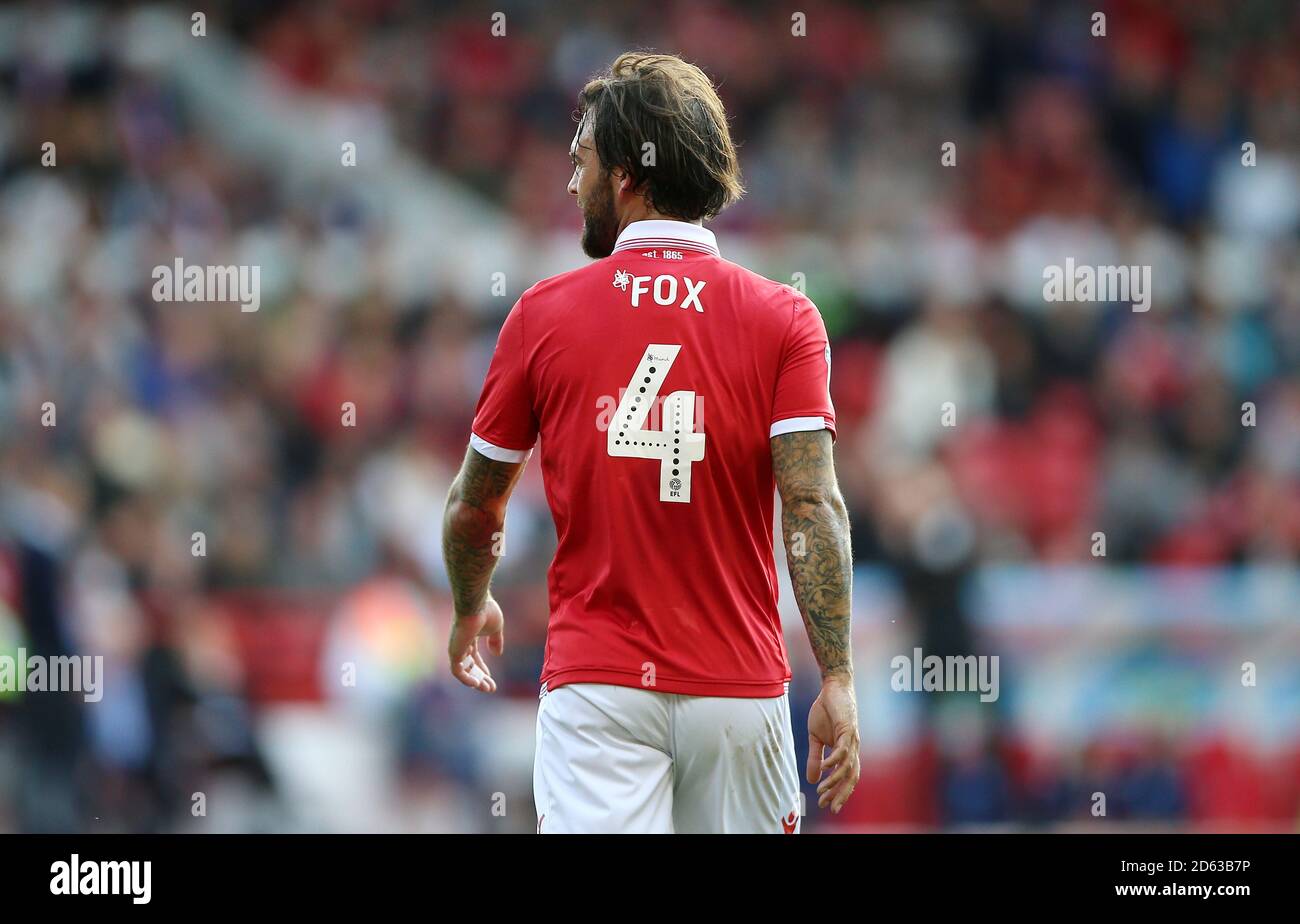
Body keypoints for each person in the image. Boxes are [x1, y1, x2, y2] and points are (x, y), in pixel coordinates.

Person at [441, 52, 858, 833]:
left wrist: (471, 604)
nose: (572, 185)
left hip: (599, 694)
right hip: (737, 689)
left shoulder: (543, 315)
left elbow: (475, 507)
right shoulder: (785, 319)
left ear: (628, 175)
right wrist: (836, 675)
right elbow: (814, 505)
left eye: (582, 163)